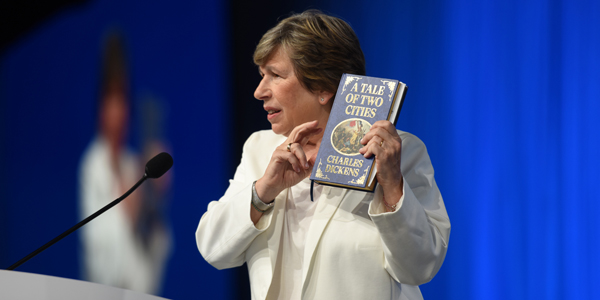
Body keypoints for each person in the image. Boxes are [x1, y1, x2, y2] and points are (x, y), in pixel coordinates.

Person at [196, 10, 450, 300]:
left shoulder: (398, 153)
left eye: (275, 75)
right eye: (261, 76)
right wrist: (264, 190)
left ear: (323, 87)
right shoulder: (260, 148)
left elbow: (420, 267)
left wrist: (392, 184)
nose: (259, 91)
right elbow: (213, 249)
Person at [78, 32, 170, 294]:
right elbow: (102, 259)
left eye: (123, 101)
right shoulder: (93, 165)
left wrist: (157, 197)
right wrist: (134, 198)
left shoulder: (135, 165)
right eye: (111, 101)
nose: (118, 112)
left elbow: (153, 249)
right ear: (101, 108)